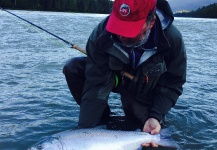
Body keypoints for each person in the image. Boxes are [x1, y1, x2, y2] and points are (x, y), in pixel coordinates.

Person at [63, 0, 186, 147]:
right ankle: (101, 121)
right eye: (118, 26)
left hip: (144, 89)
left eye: (130, 30)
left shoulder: (172, 40)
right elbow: (96, 84)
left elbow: (173, 83)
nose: (121, 35)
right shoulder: (101, 34)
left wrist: (155, 115)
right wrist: (84, 133)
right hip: (113, 79)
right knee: (73, 67)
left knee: (148, 133)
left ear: (151, 22)